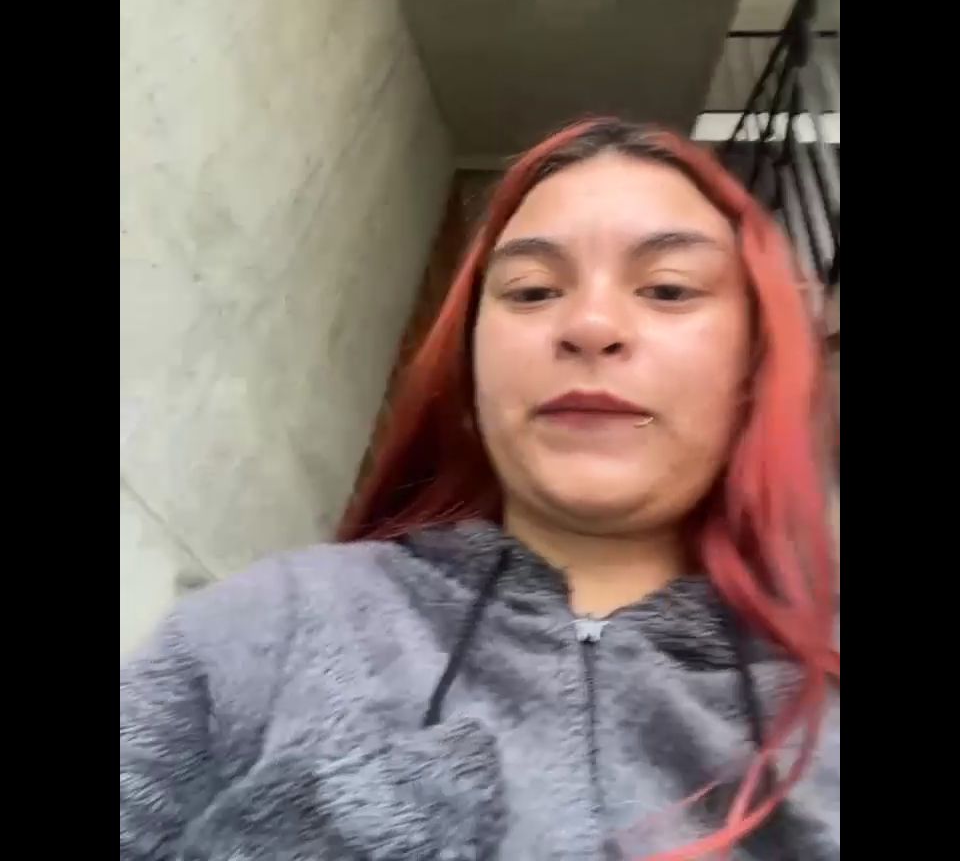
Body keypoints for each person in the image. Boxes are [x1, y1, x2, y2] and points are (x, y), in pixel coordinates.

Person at [120, 118, 839, 860]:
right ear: (470, 371)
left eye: (667, 288)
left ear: (753, 364)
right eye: (532, 292)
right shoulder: (266, 624)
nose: (590, 323)